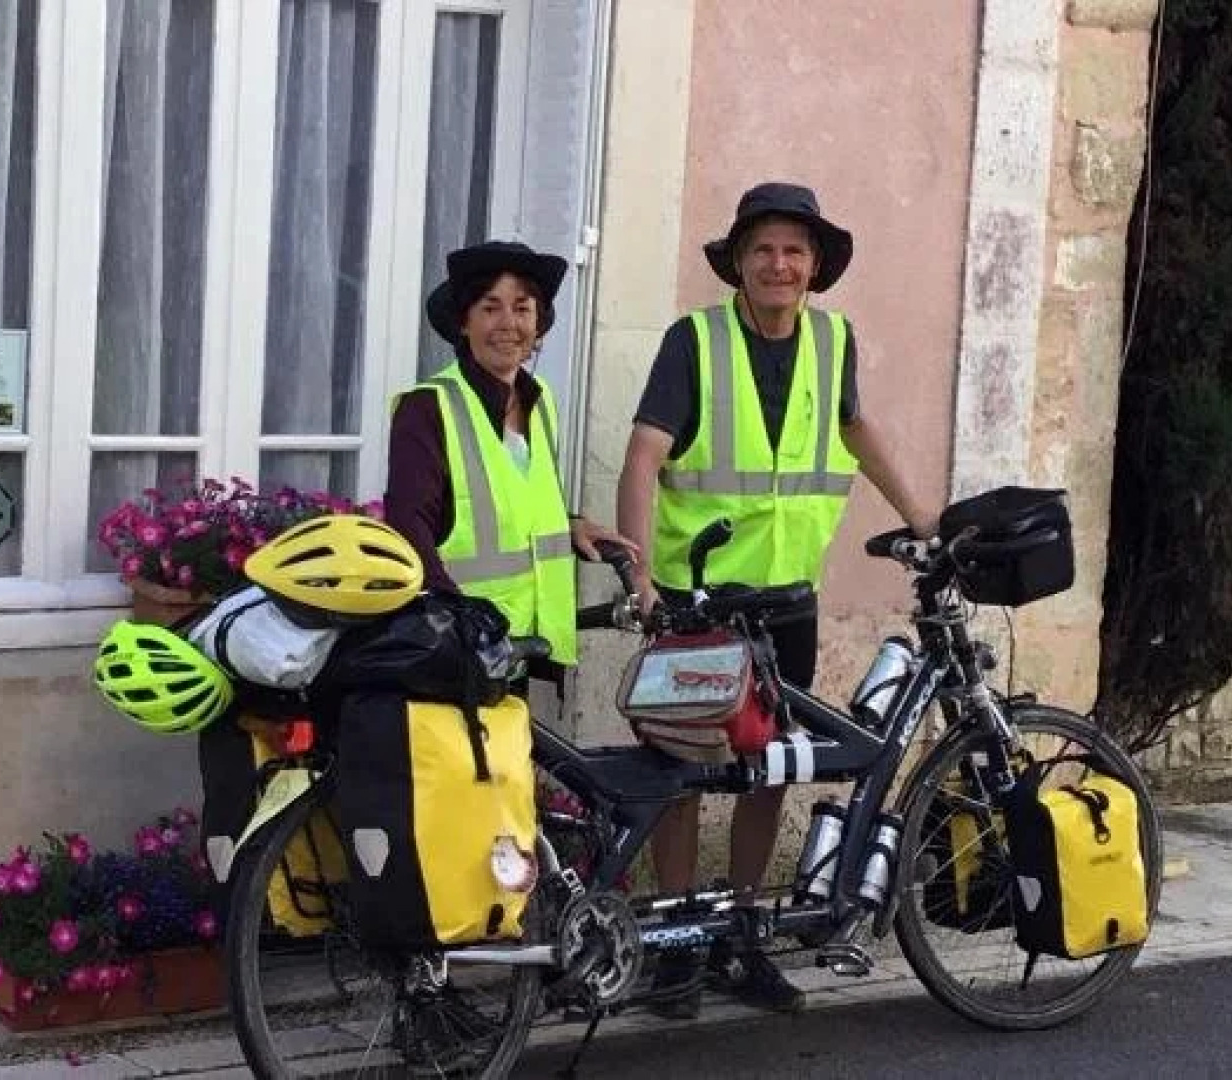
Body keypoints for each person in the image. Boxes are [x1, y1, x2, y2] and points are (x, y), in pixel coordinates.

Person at [616, 182, 937, 1017]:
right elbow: (645, 454)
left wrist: (920, 516)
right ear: (739, 262)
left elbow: (856, 429)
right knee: (681, 772)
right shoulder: (696, 340)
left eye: (795, 251)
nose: (779, 264)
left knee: (771, 772)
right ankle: (680, 949)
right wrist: (639, 574)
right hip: (697, 601)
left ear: (816, 265)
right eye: (763, 249)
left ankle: (742, 935)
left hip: (789, 600)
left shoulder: (833, 341)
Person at [385, 240, 636, 668]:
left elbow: (510, 498)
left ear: (539, 326)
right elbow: (410, 531)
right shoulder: (427, 408)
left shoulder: (543, 405)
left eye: (522, 309)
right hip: (460, 650)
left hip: (526, 644)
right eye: (490, 307)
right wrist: (461, 627)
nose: (508, 324)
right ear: (463, 322)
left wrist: (569, 526)